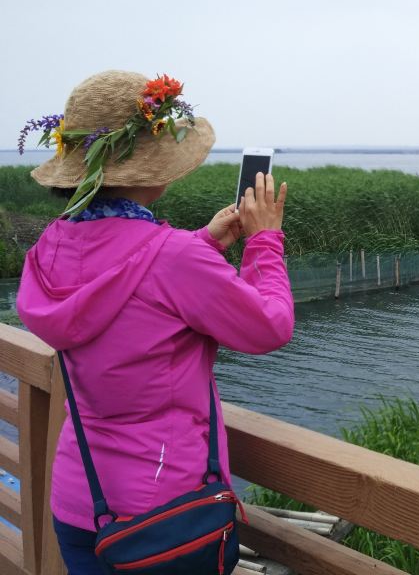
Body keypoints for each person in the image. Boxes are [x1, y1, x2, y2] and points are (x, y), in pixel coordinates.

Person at [15, 71, 294, 575]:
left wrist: (203, 242)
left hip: (81, 500)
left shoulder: (50, 248)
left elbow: (123, 288)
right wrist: (264, 241)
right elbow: (269, 327)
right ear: (148, 168)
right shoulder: (173, 259)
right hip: (164, 510)